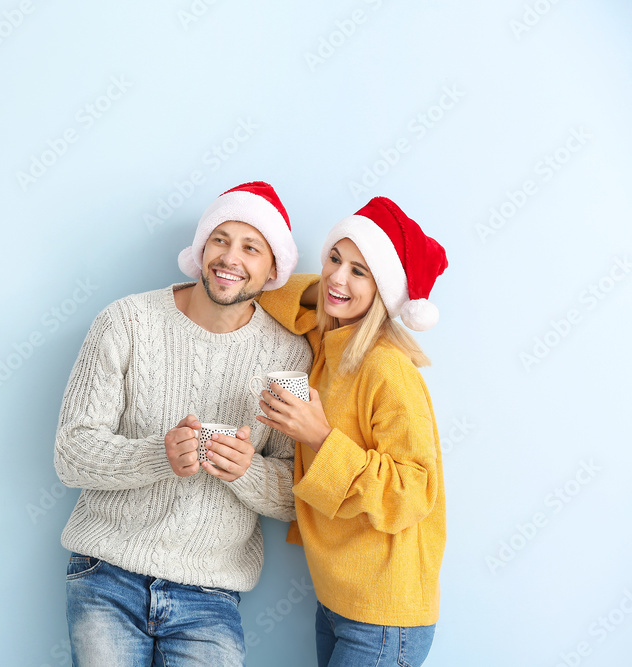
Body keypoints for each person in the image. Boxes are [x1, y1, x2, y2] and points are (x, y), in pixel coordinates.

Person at [54, 181, 313, 666]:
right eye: (220, 239)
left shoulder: (289, 357)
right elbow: (71, 454)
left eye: (250, 247)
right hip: (107, 573)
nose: (229, 258)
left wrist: (246, 471)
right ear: (200, 249)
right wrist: (159, 454)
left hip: (210, 596)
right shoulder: (126, 322)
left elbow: (295, 496)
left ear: (273, 269)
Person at [255, 197, 448, 667]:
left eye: (361, 271)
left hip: (384, 614)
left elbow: (415, 489)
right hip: (338, 599)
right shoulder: (329, 341)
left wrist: (320, 438)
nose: (337, 279)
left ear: (384, 287)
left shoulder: (386, 369)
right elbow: (272, 292)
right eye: (334, 260)